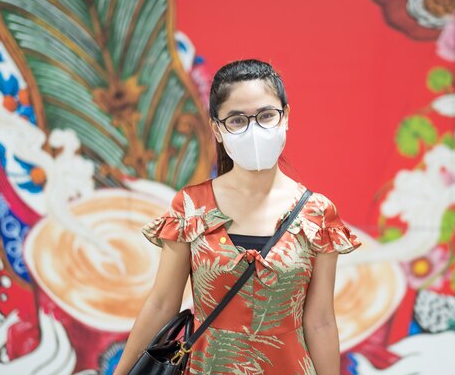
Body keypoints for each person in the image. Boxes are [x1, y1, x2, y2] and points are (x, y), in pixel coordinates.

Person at [113, 59, 362, 375]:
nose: (253, 129)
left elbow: (321, 321)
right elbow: (162, 303)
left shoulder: (318, 213)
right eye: (237, 120)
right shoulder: (190, 206)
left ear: (286, 117)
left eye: (266, 115)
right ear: (217, 129)